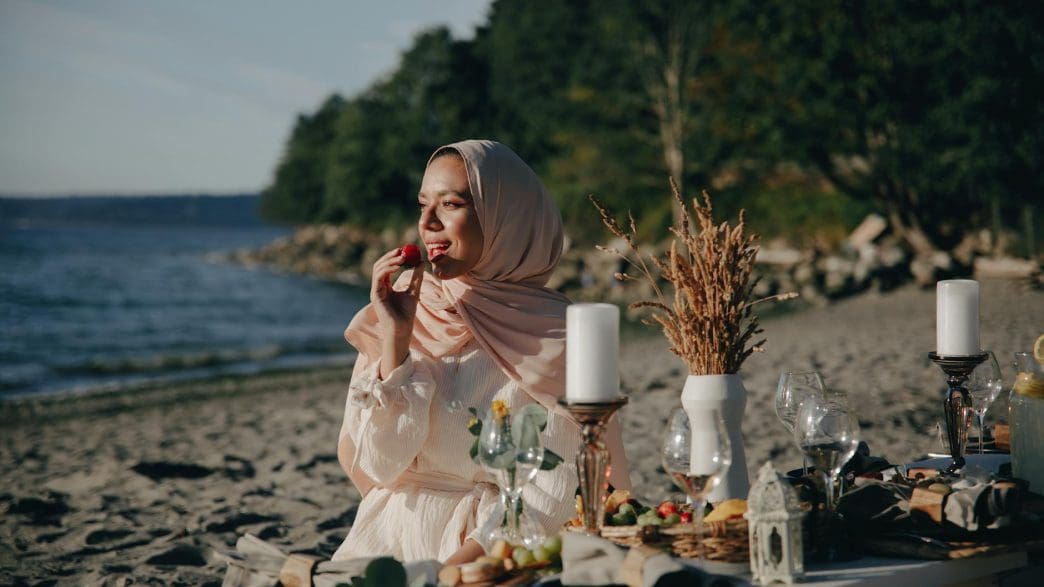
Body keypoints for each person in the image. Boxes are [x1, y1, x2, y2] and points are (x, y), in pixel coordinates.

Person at [333, 140, 630, 564]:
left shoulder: (558, 336)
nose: (428, 223)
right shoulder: (403, 310)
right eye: (422, 205)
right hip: (386, 541)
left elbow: (551, 498)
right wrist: (395, 343)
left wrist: (446, 573)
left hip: (493, 552)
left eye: (450, 204)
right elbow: (379, 466)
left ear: (505, 218)